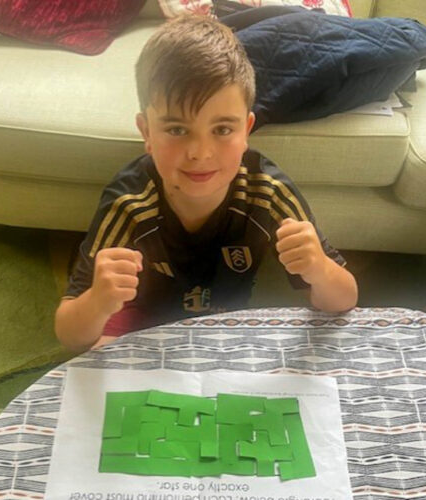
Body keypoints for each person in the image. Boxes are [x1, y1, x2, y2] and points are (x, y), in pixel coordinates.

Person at [55, 14, 358, 352]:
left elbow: (344, 298)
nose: (200, 153)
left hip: (223, 326)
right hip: (142, 323)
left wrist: (320, 269)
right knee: (97, 355)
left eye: (222, 129)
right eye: (177, 129)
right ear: (147, 133)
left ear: (246, 130)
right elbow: (70, 334)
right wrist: (98, 300)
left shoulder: (268, 190)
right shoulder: (129, 203)